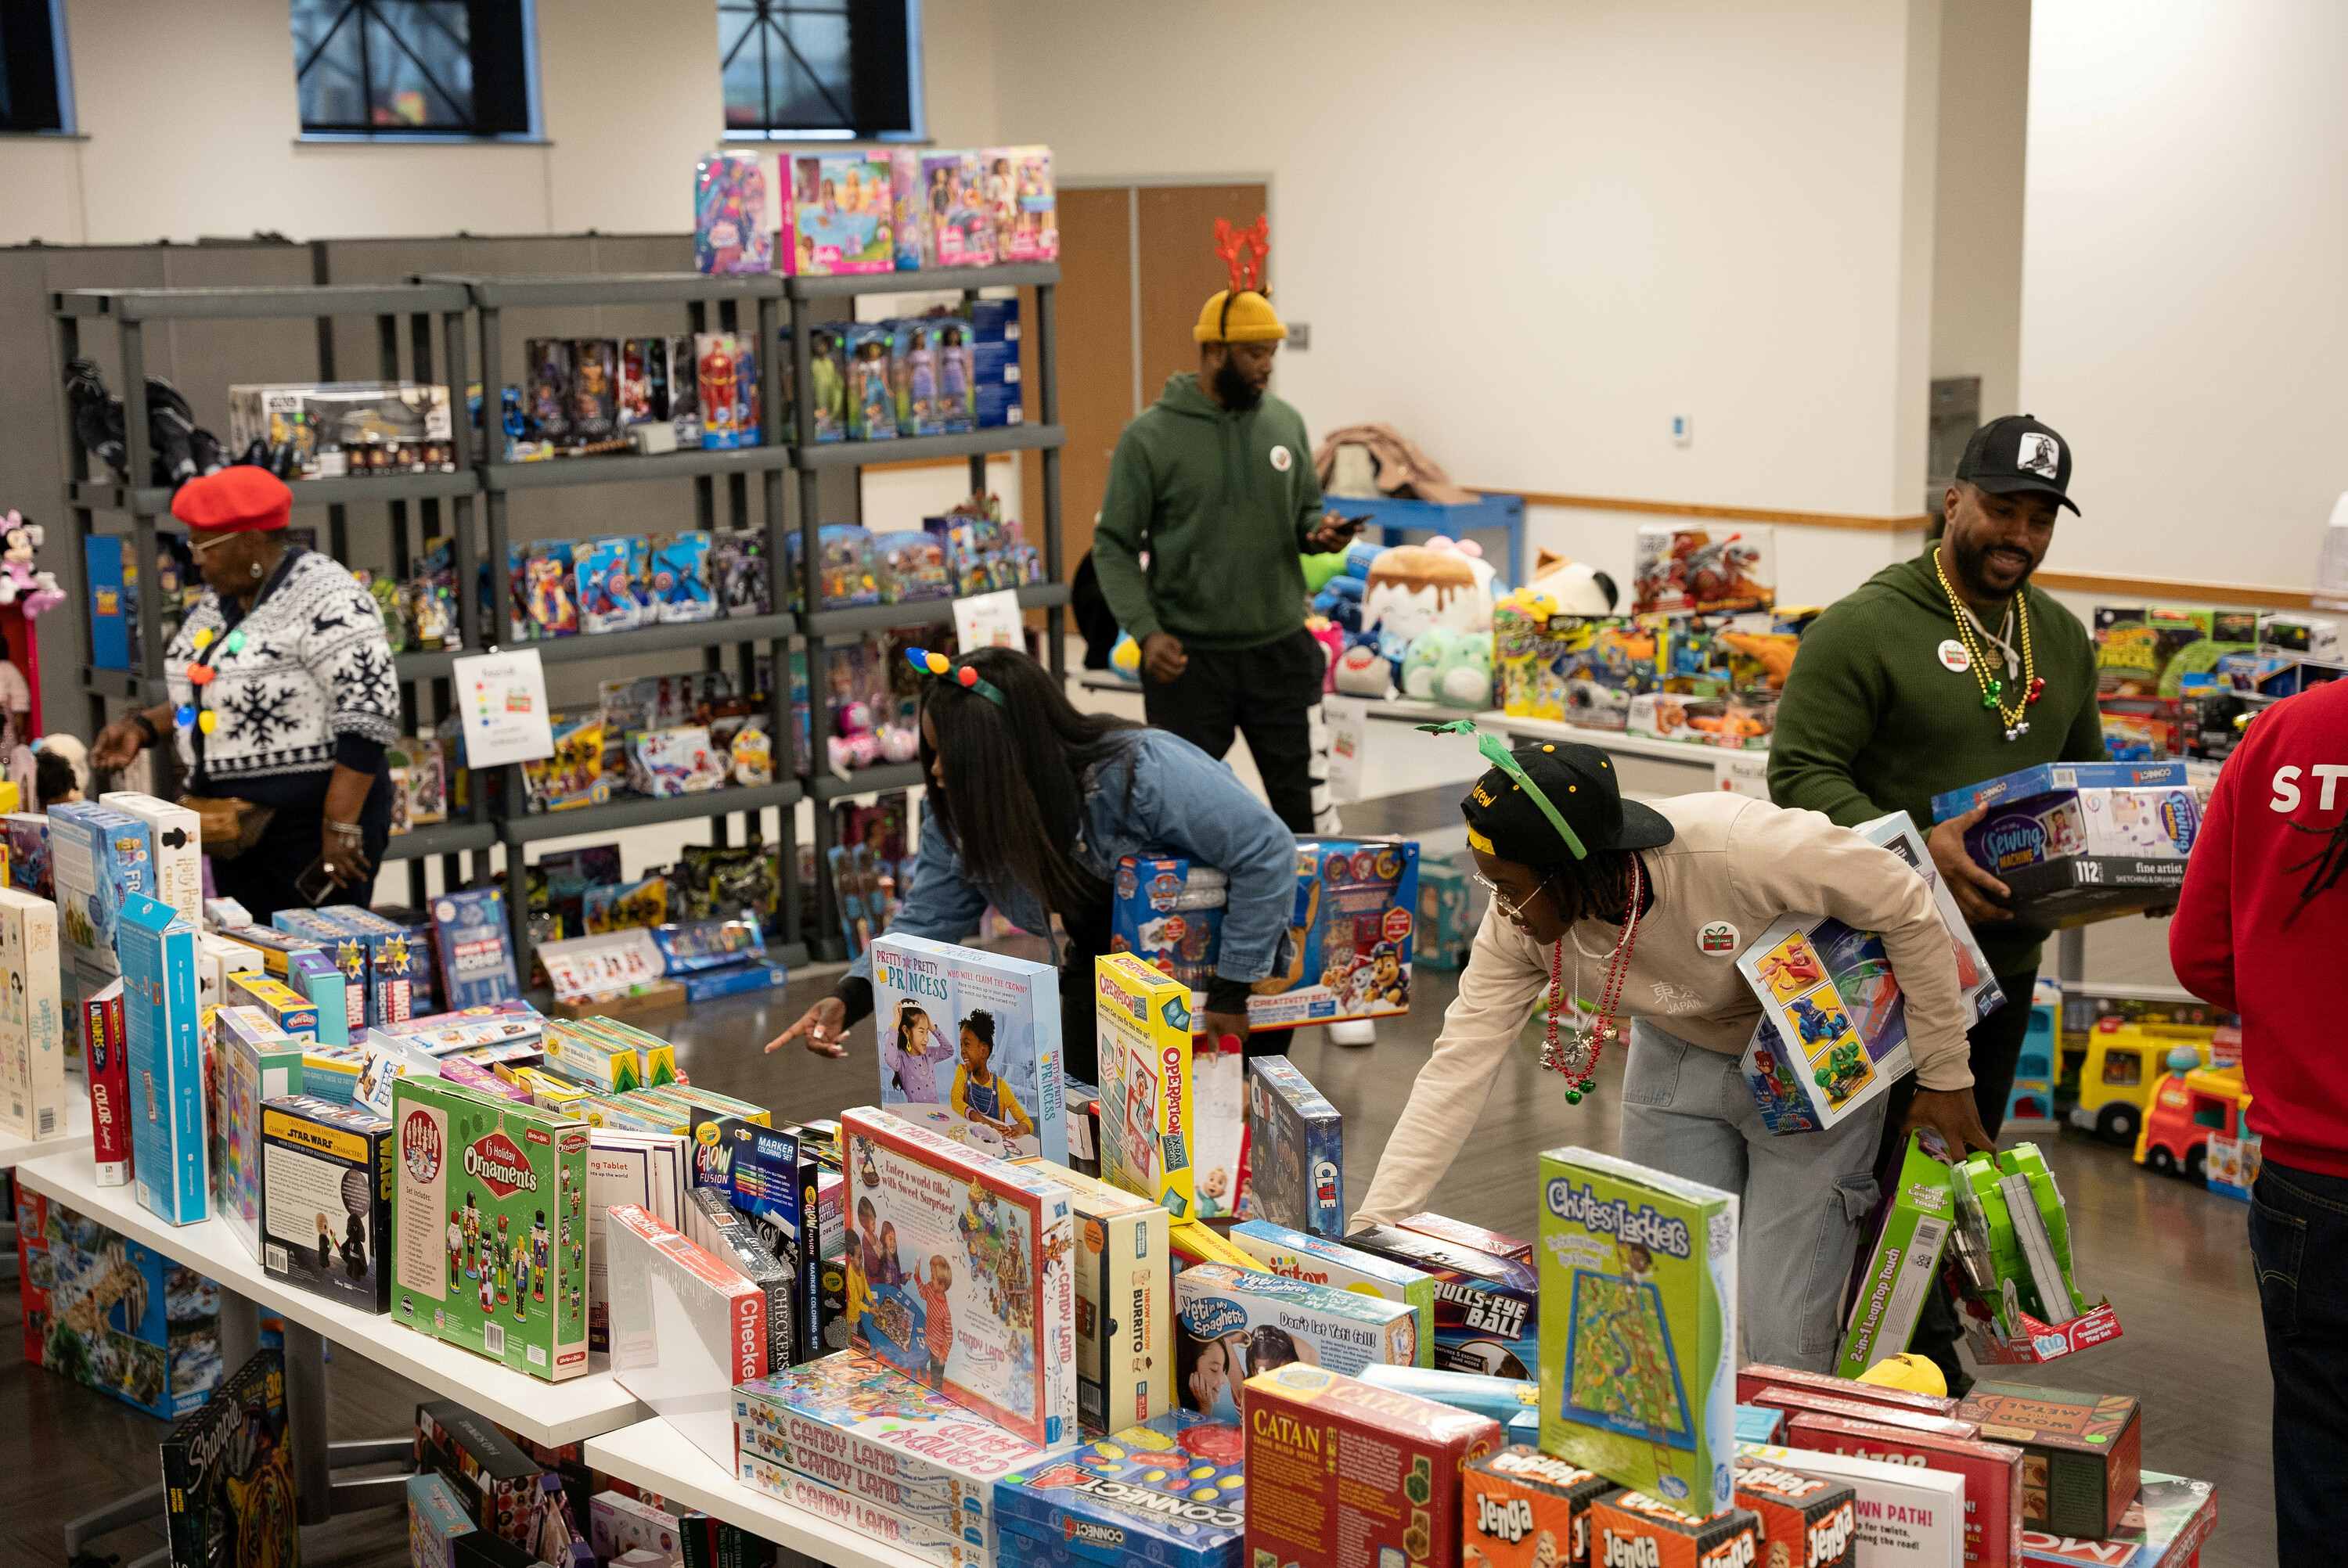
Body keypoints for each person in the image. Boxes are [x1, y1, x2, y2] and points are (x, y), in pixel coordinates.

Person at [1353, 731, 1984, 1370]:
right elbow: (1456, 1065)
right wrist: (1373, 1230)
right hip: (1674, 1056)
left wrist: (1944, 1074)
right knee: (1660, 1321)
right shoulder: (1518, 927)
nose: (1502, 908)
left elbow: (1904, 900)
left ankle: (1782, 1467)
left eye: (1510, 885)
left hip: (1811, 1059)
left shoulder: (1739, 848)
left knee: (1784, 1339)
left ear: (1573, 867)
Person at [1766, 413, 2101, 1387]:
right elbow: (1799, 775)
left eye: (2042, 519)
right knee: (1850, 1184)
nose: (2021, 537)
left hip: (2001, 966)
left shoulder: (2061, 638)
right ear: (1952, 501)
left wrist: (2127, 863)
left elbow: (2085, 787)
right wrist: (1914, 852)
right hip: (1870, 968)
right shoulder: (1865, 626)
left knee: (1948, 1169)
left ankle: (1914, 1357)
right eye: (2002, 509)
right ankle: (1824, 1367)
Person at [765, 646, 1297, 1083]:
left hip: (1227, 977)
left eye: (955, 755)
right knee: (1098, 1139)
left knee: (1223, 1161)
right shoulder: (963, 817)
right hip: (1103, 972)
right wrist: (847, 998)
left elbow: (1266, 851)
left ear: (1009, 750)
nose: (940, 771)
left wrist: (1232, 988)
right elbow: (926, 924)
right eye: (931, 753)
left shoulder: (1143, 768)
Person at [2168, 678, 2348, 1567]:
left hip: (2312, 1172)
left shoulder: (2288, 730)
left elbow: (2201, 953)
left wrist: (2295, 1000)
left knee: (2322, 1446)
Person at [1090, 269, 1358, 834]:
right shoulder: (1150, 437)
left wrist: (1321, 531)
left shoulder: (1285, 424)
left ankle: (1304, 922)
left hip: (1280, 653)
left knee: (1307, 818)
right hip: (1188, 662)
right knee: (1180, 821)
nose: (1266, 366)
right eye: (1254, 353)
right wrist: (1145, 630)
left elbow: (1304, 512)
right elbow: (1112, 546)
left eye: (1271, 354)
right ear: (1213, 352)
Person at [88, 466, 397, 919]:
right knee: (254, 970)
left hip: (311, 835)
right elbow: (210, 688)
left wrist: (341, 824)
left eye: (203, 546)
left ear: (249, 541)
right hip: (237, 831)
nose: (195, 559)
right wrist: (143, 727)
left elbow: (368, 715)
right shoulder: (228, 599)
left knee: (316, 970)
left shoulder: (330, 599)